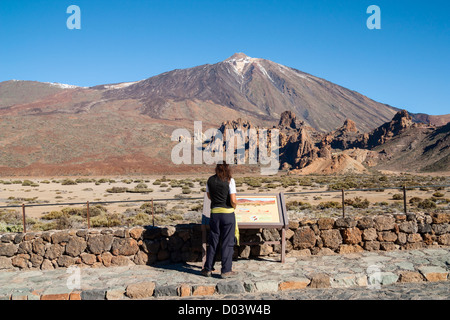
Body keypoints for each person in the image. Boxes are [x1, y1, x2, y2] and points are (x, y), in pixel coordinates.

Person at [201, 161, 238, 279]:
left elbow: (209, 196)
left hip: (215, 214)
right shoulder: (230, 180)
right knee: (227, 242)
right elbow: (233, 200)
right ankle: (226, 270)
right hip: (227, 214)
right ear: (227, 169)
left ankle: (208, 268)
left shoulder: (210, 180)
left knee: (213, 241)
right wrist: (234, 205)